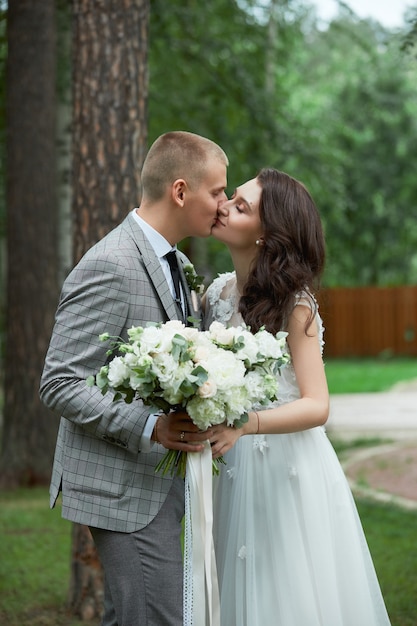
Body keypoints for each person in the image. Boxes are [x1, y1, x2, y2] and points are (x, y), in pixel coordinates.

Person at [40, 131, 229, 626]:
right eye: (217, 192)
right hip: (120, 489)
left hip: (160, 484)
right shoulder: (110, 264)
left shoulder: (180, 265)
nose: (224, 204)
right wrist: (150, 428)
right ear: (181, 191)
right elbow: (59, 381)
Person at [204, 168, 391, 625]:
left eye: (241, 206)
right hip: (227, 468)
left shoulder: (296, 304)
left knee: (281, 592)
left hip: (283, 469)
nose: (224, 205)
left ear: (267, 237)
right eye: (232, 196)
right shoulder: (214, 294)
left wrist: (249, 424)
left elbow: (317, 404)